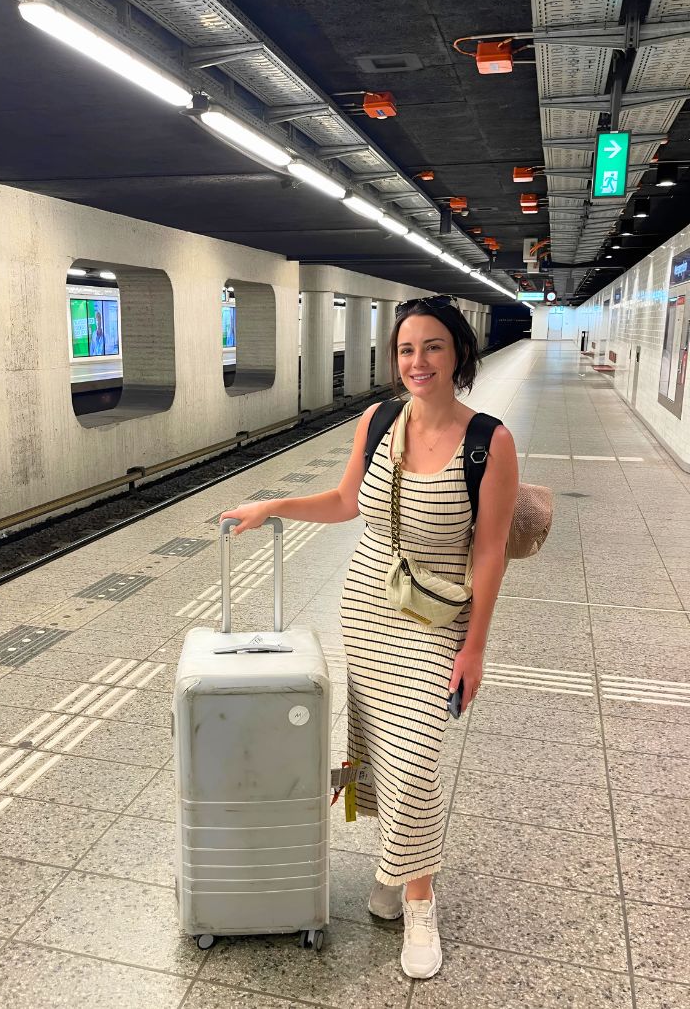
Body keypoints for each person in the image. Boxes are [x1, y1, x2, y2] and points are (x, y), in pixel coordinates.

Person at [220, 295, 518, 980]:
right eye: (407, 349)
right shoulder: (379, 421)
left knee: (416, 755)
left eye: (434, 347)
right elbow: (346, 500)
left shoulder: (489, 441)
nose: (419, 361)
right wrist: (274, 505)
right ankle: (398, 868)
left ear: (459, 355)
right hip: (370, 607)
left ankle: (420, 898)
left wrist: (475, 648)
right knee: (378, 743)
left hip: (439, 617)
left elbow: (492, 550)